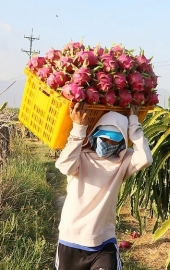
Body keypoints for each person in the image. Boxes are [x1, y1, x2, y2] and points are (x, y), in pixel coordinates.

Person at [54, 102, 153, 270]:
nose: (107, 144)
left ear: (122, 143)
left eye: (113, 141)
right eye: (103, 138)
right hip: (71, 240)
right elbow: (63, 166)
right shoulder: (81, 157)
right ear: (94, 136)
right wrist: (78, 129)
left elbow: (145, 159)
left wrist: (134, 124)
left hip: (103, 242)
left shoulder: (123, 162)